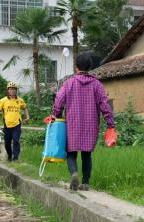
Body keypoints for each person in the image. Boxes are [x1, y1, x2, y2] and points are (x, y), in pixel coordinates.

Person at [51, 52, 115, 191]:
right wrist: (110, 124)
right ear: (90, 67)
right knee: (87, 154)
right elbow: (105, 105)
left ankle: (74, 173)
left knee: (71, 153)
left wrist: (55, 115)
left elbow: (59, 101)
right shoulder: (97, 84)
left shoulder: (69, 83)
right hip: (90, 125)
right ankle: (85, 183)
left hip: (73, 125)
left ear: (76, 67)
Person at [0, 82, 30, 161]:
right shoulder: (3, 100)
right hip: (7, 125)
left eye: (14, 89)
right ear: (8, 90)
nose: (12, 91)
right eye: (10, 89)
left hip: (17, 124)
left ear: (16, 90)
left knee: (16, 140)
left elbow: (25, 108)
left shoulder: (20, 100)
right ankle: (9, 155)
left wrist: (27, 117)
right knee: (7, 143)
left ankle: (15, 158)